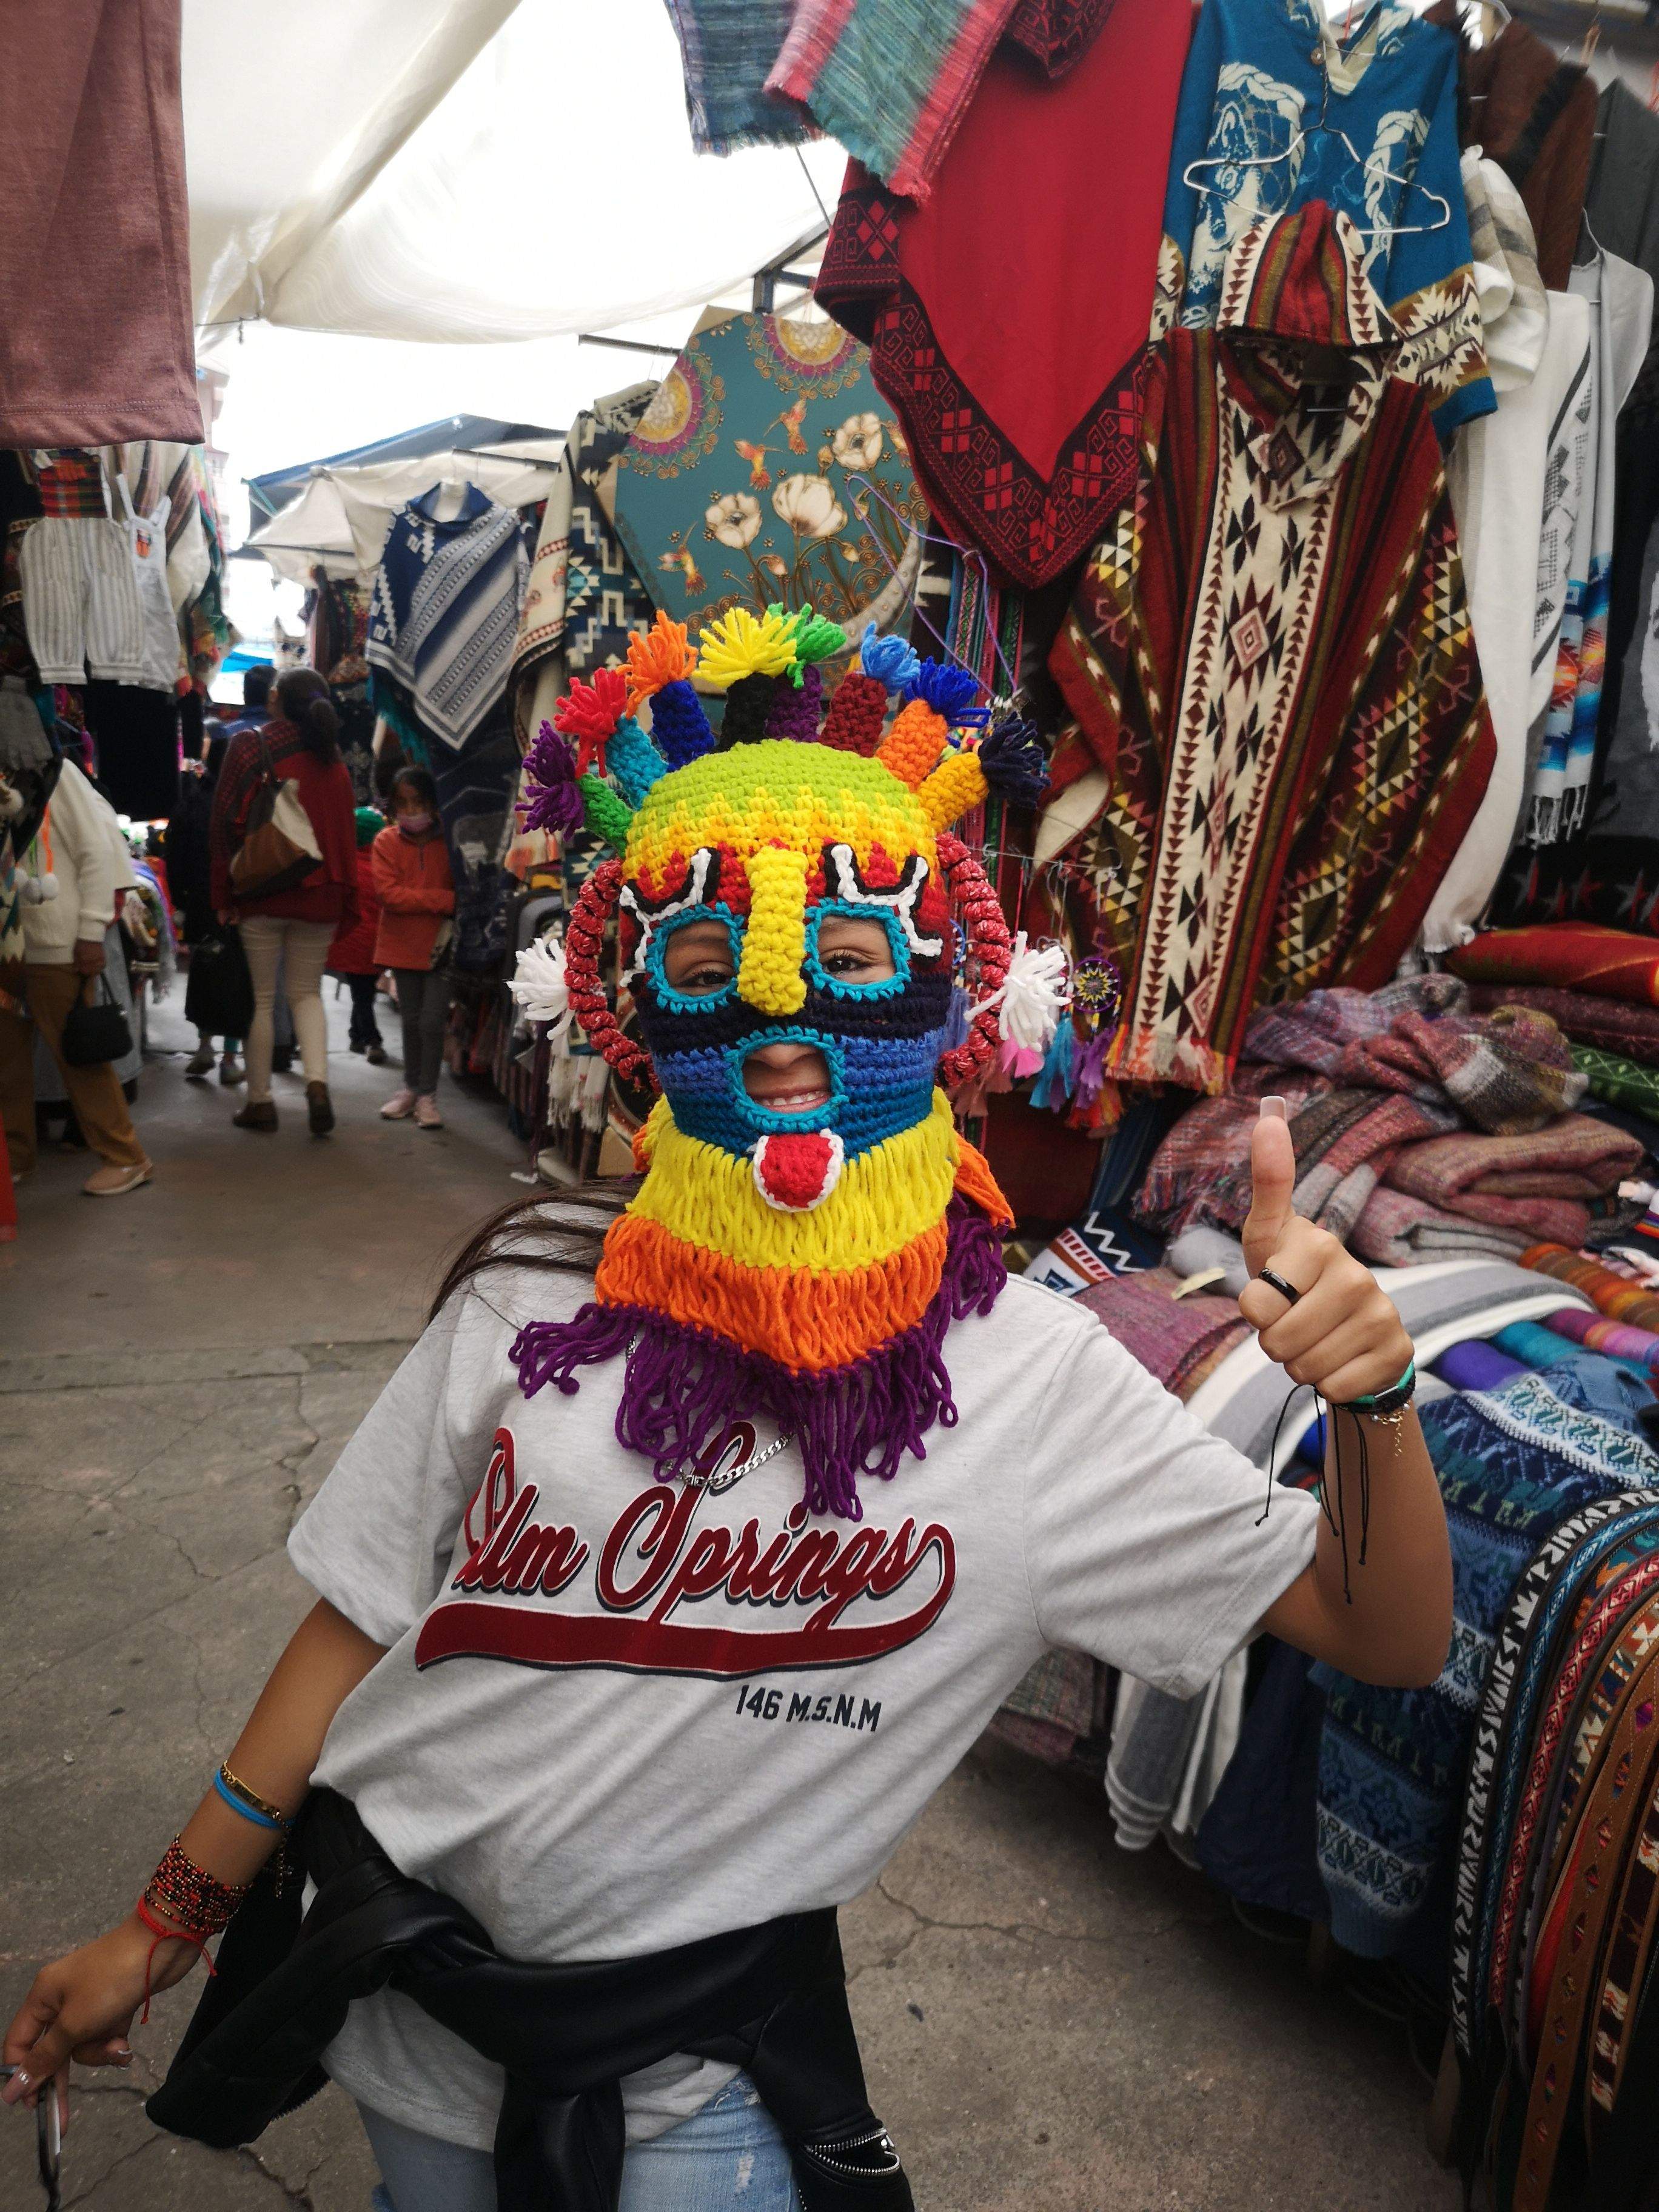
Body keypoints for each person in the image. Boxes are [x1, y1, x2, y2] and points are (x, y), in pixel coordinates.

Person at [1, 618, 1451, 2211]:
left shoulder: (1033, 1385)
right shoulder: (534, 1301)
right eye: (705, 965)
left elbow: (1379, 1631)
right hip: (402, 2032)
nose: (776, 1014)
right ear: (631, 1008)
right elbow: (356, 1629)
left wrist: (1374, 1393)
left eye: (849, 955)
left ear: (950, 995)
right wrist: (163, 1924)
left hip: (700, 2096)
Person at [0, 739, 152, 1196]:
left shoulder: (54, 773)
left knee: (79, 1057)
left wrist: (90, 932)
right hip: (9, 946)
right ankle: (15, 1159)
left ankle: (127, 1158)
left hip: (56, 945)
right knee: (7, 1063)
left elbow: (96, 853)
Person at [209, 666, 357, 1138]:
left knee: (261, 998)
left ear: (275, 699)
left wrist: (222, 893)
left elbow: (225, 823)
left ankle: (260, 1102)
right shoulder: (331, 756)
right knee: (307, 993)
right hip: (324, 892)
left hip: (264, 888)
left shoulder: (250, 745)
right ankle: (317, 1084)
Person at [371, 766, 455, 1131]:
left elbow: (402, 896)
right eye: (403, 803)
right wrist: (442, 900)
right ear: (392, 806)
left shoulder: (449, 841)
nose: (411, 810)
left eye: (418, 802)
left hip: (442, 946)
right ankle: (411, 1089)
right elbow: (388, 895)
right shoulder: (385, 842)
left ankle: (426, 1095)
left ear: (432, 803)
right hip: (402, 946)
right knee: (410, 1021)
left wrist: (422, 900)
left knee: (432, 1023)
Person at [167, 731, 242, 1086]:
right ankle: (230, 1059)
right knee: (237, 981)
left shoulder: (193, 800)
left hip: (200, 902)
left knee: (204, 975)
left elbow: (174, 854)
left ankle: (204, 1047)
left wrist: (180, 902)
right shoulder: (247, 801)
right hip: (239, 904)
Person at [327, 805, 389, 1064]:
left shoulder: (344, 866)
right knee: (364, 993)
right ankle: (373, 1040)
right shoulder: (383, 867)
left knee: (361, 992)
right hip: (373, 943)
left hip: (348, 940)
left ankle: (356, 1036)